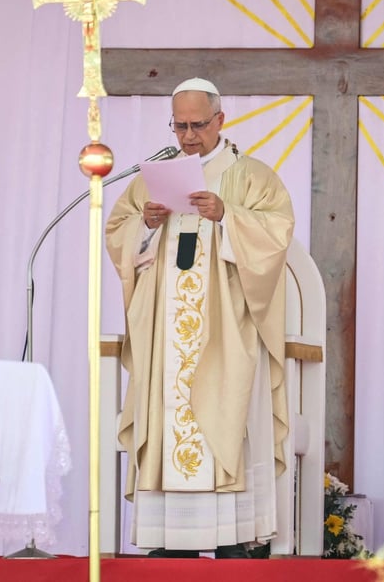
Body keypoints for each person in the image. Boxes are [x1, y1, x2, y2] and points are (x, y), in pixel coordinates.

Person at [105, 77, 294, 559]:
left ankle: (230, 538)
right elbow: (119, 234)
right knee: (168, 420)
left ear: (220, 121)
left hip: (226, 331)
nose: (188, 136)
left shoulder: (252, 176)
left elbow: (276, 236)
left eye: (197, 125)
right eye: (180, 126)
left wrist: (228, 216)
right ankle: (172, 538)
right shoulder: (151, 177)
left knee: (222, 419)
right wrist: (143, 226)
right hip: (165, 334)